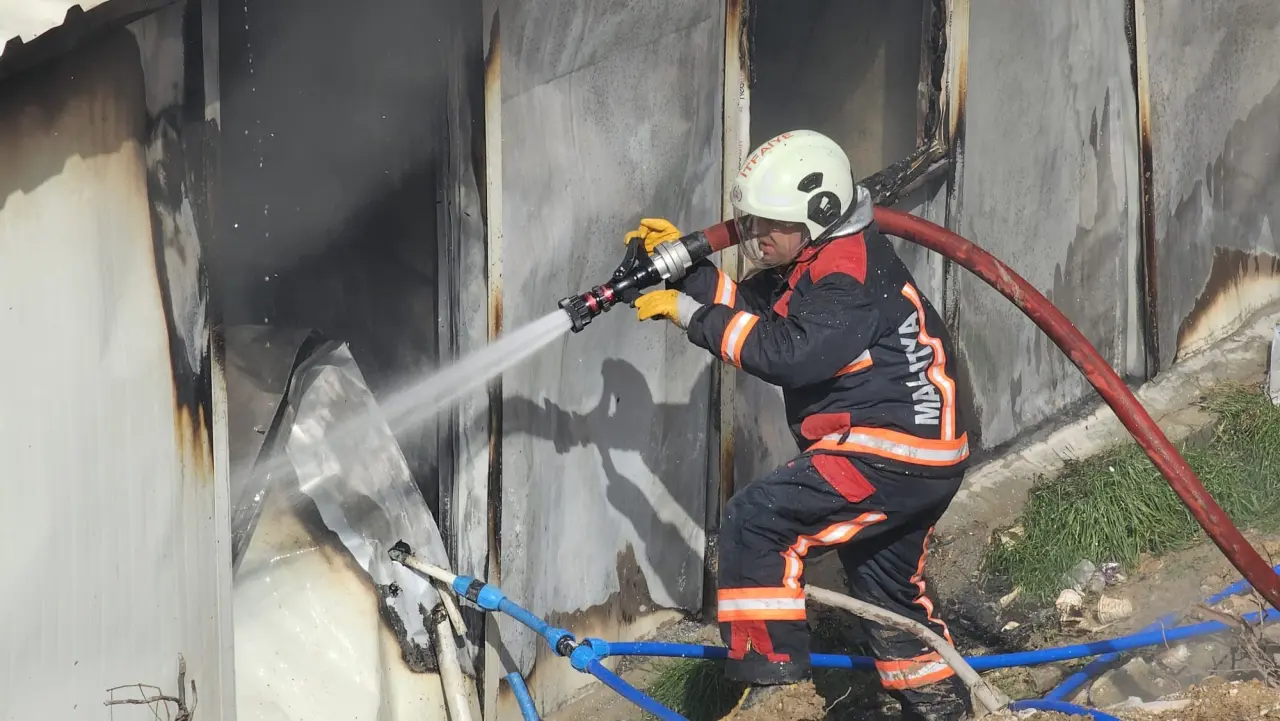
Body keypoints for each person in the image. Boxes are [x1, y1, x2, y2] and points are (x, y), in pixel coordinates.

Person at [624, 129, 972, 720]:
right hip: (918, 454)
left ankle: (776, 691)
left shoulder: (844, 279)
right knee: (887, 587)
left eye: (768, 225)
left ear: (820, 214)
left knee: (756, 524)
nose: (755, 237)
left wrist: (691, 317)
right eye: (752, 222)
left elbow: (787, 353)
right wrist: (688, 277)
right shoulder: (828, 257)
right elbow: (762, 311)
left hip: (885, 453)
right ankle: (940, 704)